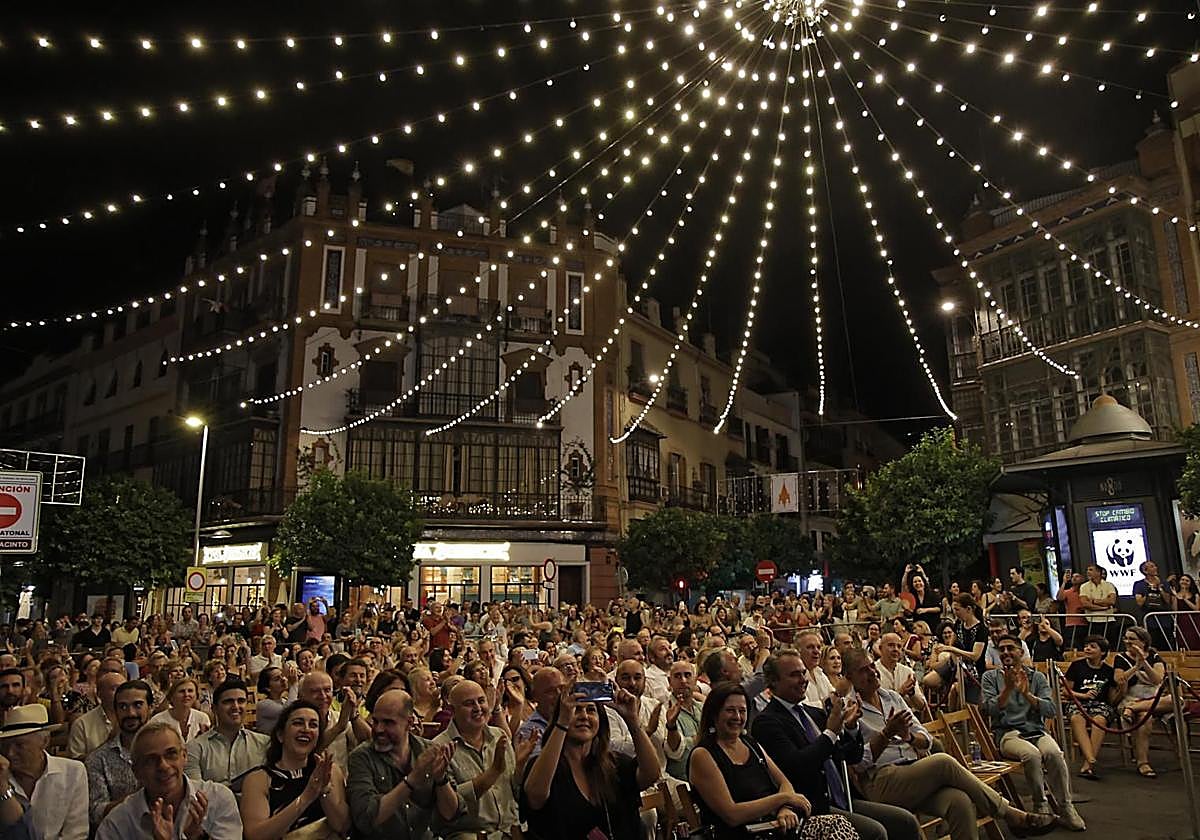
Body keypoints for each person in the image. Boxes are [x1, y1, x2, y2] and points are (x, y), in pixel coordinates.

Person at [841, 648, 1054, 840]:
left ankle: (1007, 814)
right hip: (881, 780)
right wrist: (887, 734)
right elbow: (858, 764)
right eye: (863, 670)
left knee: (959, 802)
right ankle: (1008, 813)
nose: (872, 672)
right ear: (849, 677)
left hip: (915, 771)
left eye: (872, 665)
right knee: (943, 762)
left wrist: (909, 738)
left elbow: (926, 739)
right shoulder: (849, 710)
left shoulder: (893, 698)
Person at [753, 651, 921, 840]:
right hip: (813, 807)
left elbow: (852, 756)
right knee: (875, 832)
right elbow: (798, 766)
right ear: (773, 682)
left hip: (845, 797)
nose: (803, 680)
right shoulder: (767, 722)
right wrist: (831, 733)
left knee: (905, 821)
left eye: (803, 673)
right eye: (794, 675)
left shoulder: (812, 713)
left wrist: (850, 728)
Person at [689, 681, 858, 840]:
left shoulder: (750, 744)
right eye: (730, 711)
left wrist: (785, 809)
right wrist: (782, 800)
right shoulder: (703, 755)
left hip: (775, 827)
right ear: (714, 714)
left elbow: (784, 783)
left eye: (742, 711)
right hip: (742, 834)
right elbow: (732, 815)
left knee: (837, 824)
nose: (737, 717)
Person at [520, 676, 660, 840]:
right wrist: (563, 722)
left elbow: (651, 774)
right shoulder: (545, 768)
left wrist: (632, 721)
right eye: (576, 710)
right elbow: (535, 796)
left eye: (591, 710)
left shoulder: (614, 763)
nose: (584, 716)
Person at [981, 635, 1085, 830]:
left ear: (1021, 652)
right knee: (1032, 755)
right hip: (1008, 733)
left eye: (1010, 648)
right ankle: (1041, 805)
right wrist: (1008, 690)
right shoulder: (991, 677)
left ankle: (1066, 807)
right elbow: (987, 710)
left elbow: (1050, 709)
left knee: (1054, 753)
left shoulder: (1037, 677)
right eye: (1001, 649)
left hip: (1036, 730)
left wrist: (1027, 694)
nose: (1005, 653)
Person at [95, 721, 243, 839]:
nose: (163, 766)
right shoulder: (117, 823)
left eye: (171, 754)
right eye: (151, 760)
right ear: (136, 771)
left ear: (184, 756)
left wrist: (198, 837)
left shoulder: (217, 799)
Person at [346, 688, 458, 840]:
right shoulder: (361, 758)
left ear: (409, 722)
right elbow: (366, 818)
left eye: (388, 723)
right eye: (375, 721)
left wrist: (441, 780)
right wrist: (411, 781)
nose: (378, 729)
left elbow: (450, 813)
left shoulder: (430, 751)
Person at [239, 701, 352, 840]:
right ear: (281, 735)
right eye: (298, 723)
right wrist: (306, 797)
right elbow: (255, 836)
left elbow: (342, 826)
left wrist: (324, 791)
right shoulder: (259, 779)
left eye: (313, 725)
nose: (306, 729)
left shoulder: (329, 770)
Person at [432, 680, 519, 840]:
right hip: (470, 835)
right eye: (469, 704)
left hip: (510, 831)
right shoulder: (440, 747)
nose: (478, 708)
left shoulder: (500, 735)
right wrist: (492, 773)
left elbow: (515, 790)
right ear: (452, 710)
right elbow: (448, 809)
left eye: (481, 701)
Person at [0, 704, 89, 840]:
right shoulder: (2, 777)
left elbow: (76, 834)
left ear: (45, 741)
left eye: (19, 745)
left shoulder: (73, 772)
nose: (10, 753)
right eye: (5, 746)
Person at [86, 679, 153, 829]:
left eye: (138, 705)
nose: (130, 713)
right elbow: (96, 812)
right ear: (115, 711)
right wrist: (140, 799)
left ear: (151, 708)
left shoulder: (168, 751)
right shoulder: (98, 759)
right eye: (123, 707)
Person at [184, 678, 270, 792]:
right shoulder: (195, 748)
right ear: (214, 709)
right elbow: (196, 794)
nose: (235, 706)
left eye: (241, 701)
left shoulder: (264, 743)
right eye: (228, 701)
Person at [1115, 626, 1169, 779]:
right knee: (1145, 717)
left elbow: (1157, 679)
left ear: (1143, 642)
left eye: (1132, 639)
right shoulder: (1121, 658)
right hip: (1132, 696)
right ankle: (1143, 763)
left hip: (1155, 697)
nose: (1127, 641)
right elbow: (1119, 679)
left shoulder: (1154, 656)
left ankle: (1133, 708)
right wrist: (1136, 666)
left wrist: (1144, 662)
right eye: (1126, 638)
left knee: (1176, 701)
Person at [1063, 636, 1118, 780]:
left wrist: (1122, 689)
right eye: (1086, 646)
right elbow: (1066, 691)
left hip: (1100, 705)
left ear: (1103, 652)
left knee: (1100, 720)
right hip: (1078, 702)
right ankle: (1091, 759)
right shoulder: (1076, 666)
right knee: (1076, 718)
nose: (1087, 649)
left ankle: (1088, 763)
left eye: (1093, 646)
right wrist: (1083, 696)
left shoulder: (1108, 671)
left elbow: (1111, 699)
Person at [922, 595, 986, 705]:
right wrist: (949, 652)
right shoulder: (959, 624)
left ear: (968, 609)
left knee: (960, 695)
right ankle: (945, 690)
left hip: (973, 670)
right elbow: (953, 640)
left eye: (957, 609)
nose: (955, 613)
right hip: (955, 663)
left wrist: (951, 649)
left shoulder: (981, 629)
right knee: (928, 680)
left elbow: (975, 656)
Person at [662, 660, 703, 782]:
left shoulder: (702, 708)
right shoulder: (664, 710)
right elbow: (676, 753)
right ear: (670, 682)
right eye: (677, 676)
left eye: (687, 675)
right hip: (684, 781)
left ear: (695, 680)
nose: (683, 680)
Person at [67, 669, 123, 759]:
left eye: (123, 688)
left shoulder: (135, 719)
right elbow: (76, 762)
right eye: (114, 688)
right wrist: (108, 744)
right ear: (99, 694)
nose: (121, 694)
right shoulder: (82, 725)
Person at [875, 633, 928, 715]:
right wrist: (901, 692)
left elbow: (921, 706)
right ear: (880, 648)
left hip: (908, 720)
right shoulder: (872, 671)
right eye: (891, 645)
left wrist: (912, 693)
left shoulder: (908, 672)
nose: (895, 649)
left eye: (899, 647)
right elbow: (876, 706)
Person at [149, 677, 210, 742]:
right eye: (182, 691)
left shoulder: (203, 718)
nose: (186, 694)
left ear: (196, 696)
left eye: (190, 691)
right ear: (172, 696)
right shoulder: (158, 721)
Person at [1133, 561, 1176, 651]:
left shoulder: (1164, 583)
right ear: (1145, 571)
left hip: (1165, 619)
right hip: (1149, 620)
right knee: (1152, 644)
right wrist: (1149, 590)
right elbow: (1139, 602)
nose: (1155, 568)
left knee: (1167, 644)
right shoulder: (1139, 584)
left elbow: (1168, 600)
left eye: (1155, 566)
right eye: (1152, 566)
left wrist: (1159, 588)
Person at [1078, 565, 1119, 649]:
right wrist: (1103, 607)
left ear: (1098, 572)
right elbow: (1085, 604)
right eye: (1087, 570)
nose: (1088, 572)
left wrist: (1094, 601)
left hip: (1109, 620)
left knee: (1111, 646)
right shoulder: (1084, 586)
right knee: (1095, 646)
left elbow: (1111, 601)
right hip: (1092, 622)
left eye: (1091, 570)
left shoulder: (1109, 585)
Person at [1056, 572, 1088, 649]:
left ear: (1082, 579)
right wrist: (1064, 582)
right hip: (1071, 624)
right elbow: (1059, 598)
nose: (1074, 578)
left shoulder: (1086, 591)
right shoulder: (1068, 592)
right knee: (1072, 646)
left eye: (1077, 576)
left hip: (1085, 623)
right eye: (1073, 576)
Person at [254, 667, 289, 735]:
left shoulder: (285, 701)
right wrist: (293, 685)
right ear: (267, 688)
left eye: (282, 676)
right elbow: (289, 714)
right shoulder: (264, 705)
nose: (283, 680)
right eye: (277, 679)